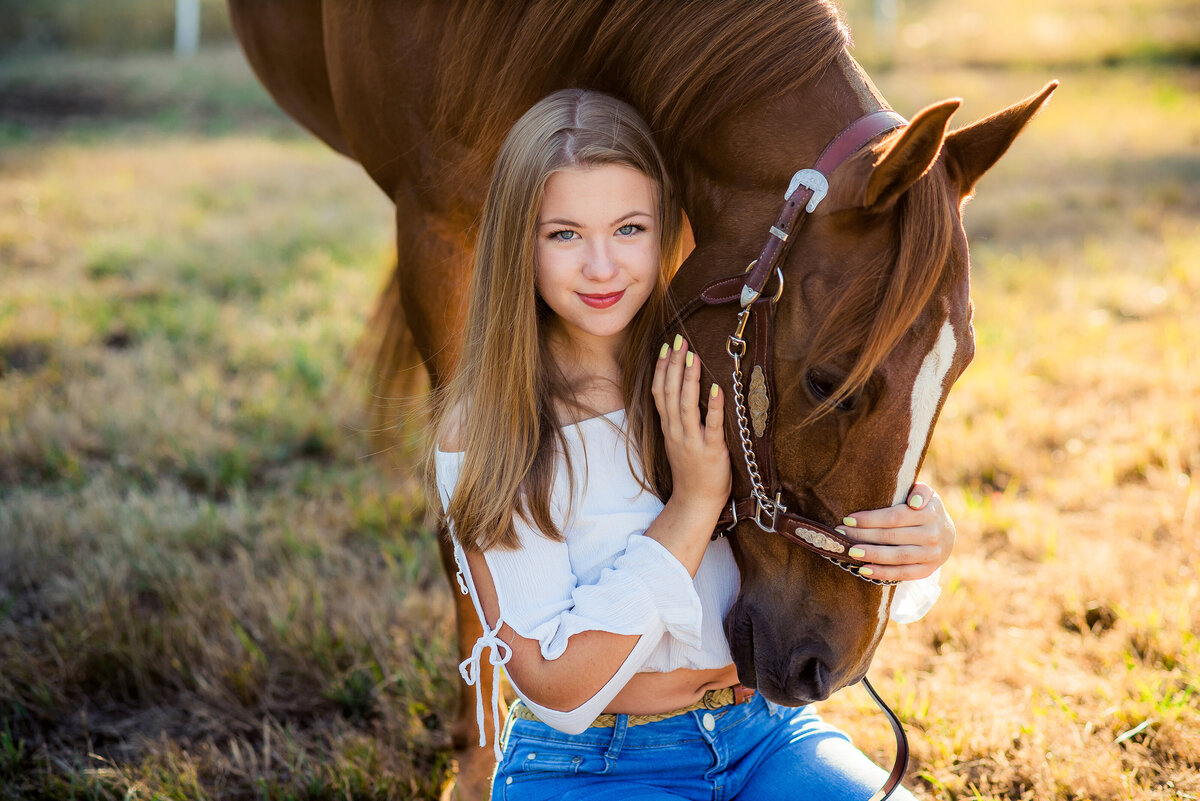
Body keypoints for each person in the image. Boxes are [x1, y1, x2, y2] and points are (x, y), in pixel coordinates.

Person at [430, 88, 954, 801]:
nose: (602, 266)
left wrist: (915, 534)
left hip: (764, 736)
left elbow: (816, 482)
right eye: (564, 234)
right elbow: (555, 687)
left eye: (629, 228)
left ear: (667, 229)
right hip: (591, 763)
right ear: (516, 243)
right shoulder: (492, 425)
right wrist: (692, 507)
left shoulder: (713, 370)